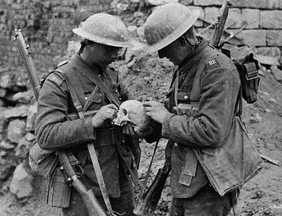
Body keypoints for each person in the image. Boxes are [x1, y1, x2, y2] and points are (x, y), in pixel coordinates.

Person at [142, 3, 242, 216]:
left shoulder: (218, 71)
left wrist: (166, 118)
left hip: (209, 185)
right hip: (185, 179)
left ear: (182, 41)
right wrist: (148, 127)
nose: (160, 56)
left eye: (164, 47)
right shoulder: (185, 66)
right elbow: (177, 114)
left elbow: (212, 131)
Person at [35, 13, 139, 216]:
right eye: (110, 49)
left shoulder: (112, 77)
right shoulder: (59, 82)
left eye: (118, 49)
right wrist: (92, 122)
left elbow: (132, 106)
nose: (116, 55)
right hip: (84, 184)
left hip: (120, 179)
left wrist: (137, 119)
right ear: (89, 43)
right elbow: (46, 135)